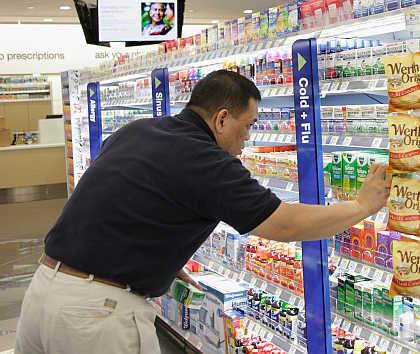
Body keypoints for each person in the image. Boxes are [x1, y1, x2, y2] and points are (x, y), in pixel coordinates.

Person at [14, 70, 391, 354]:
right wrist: (361, 206)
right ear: (222, 119)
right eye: (248, 127)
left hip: (45, 289)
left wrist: (162, 262)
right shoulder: (206, 161)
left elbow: (124, 205)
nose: (247, 139)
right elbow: (286, 223)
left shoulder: (138, 131)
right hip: (96, 316)